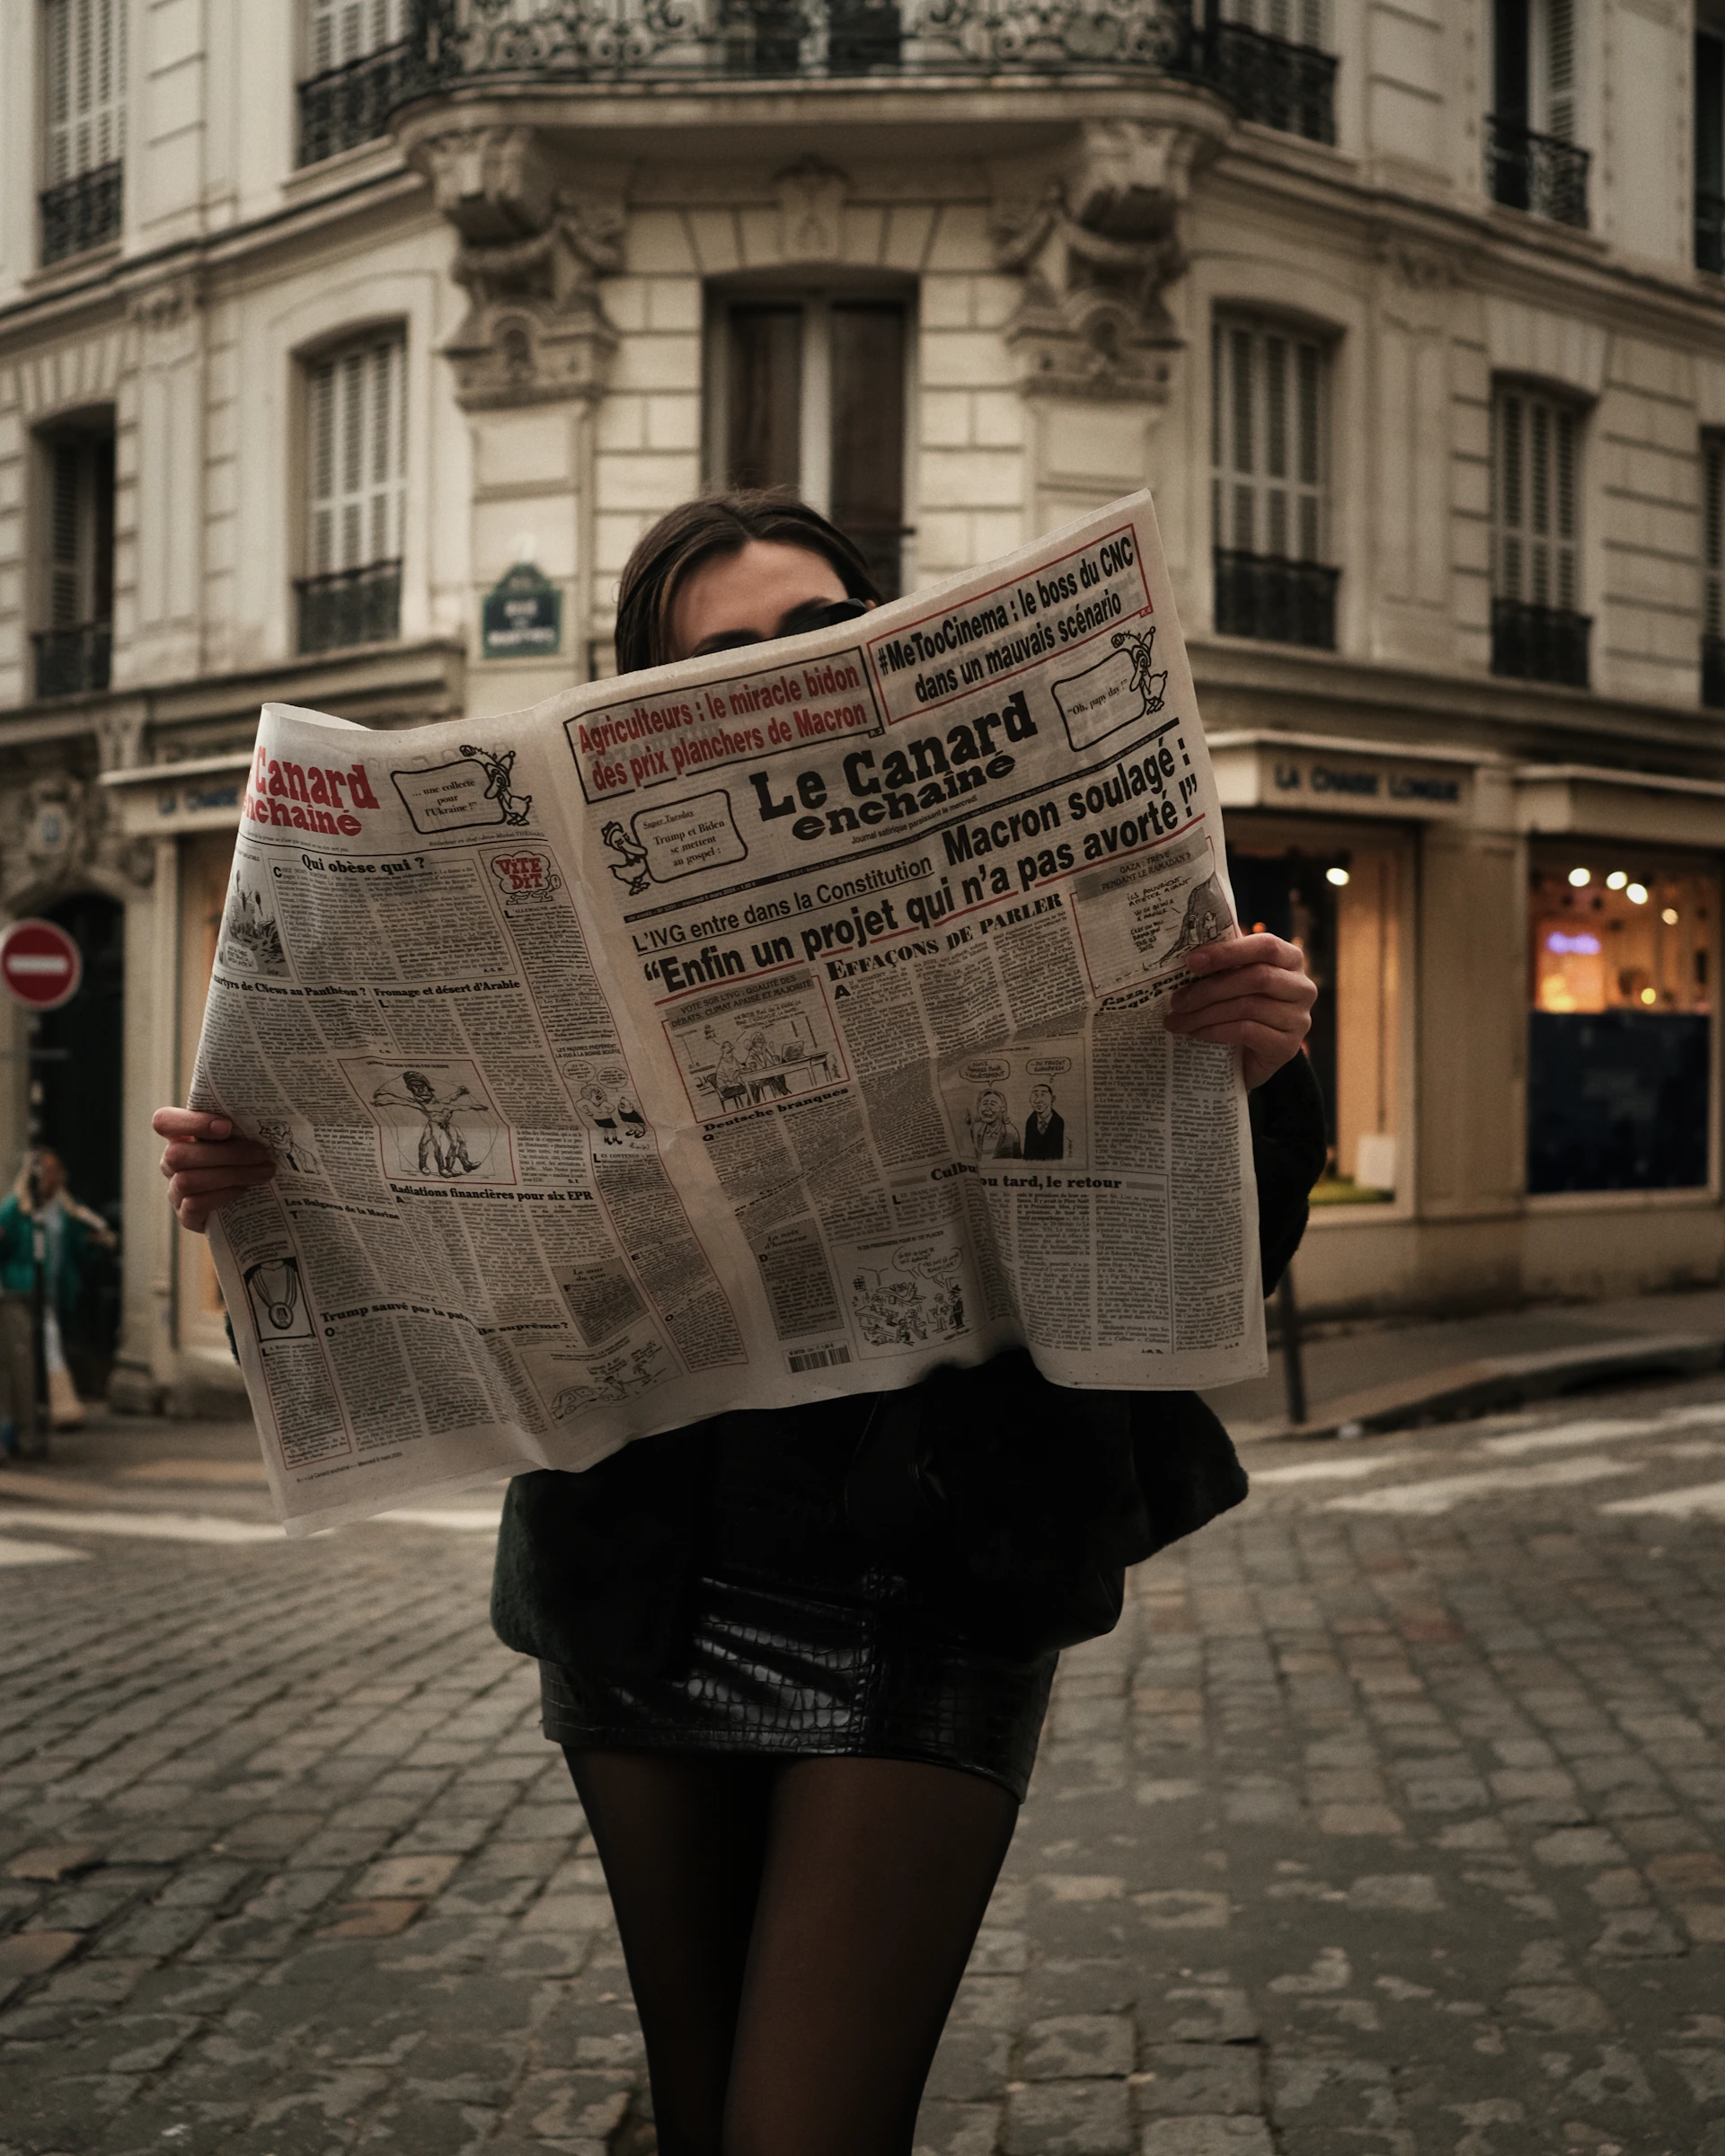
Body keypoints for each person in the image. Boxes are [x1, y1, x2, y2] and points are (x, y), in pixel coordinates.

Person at [154, 490, 1324, 2156]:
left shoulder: (1040, 870)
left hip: (933, 1588)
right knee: (704, 2117)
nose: (786, 662)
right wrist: (275, 1180)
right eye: (728, 653)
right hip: (644, 1592)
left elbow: (1215, 1269)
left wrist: (1257, 1071)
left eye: (818, 630)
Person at [0, 1149, 117, 1455]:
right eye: (43, 1171)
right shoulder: (16, 1208)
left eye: (54, 1171)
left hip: (54, 1292)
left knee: (45, 1348)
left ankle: (41, 1415)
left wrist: (96, 1243)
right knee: (36, 1352)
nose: (49, 1177)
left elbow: (80, 1243)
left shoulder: (66, 1208)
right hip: (20, 1292)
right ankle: (58, 1409)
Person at [1022, 1082, 1066, 1161]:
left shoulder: (1059, 1122)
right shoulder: (1030, 1122)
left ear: (1053, 1098)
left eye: (1043, 1095)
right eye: (1035, 1095)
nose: (1038, 1100)